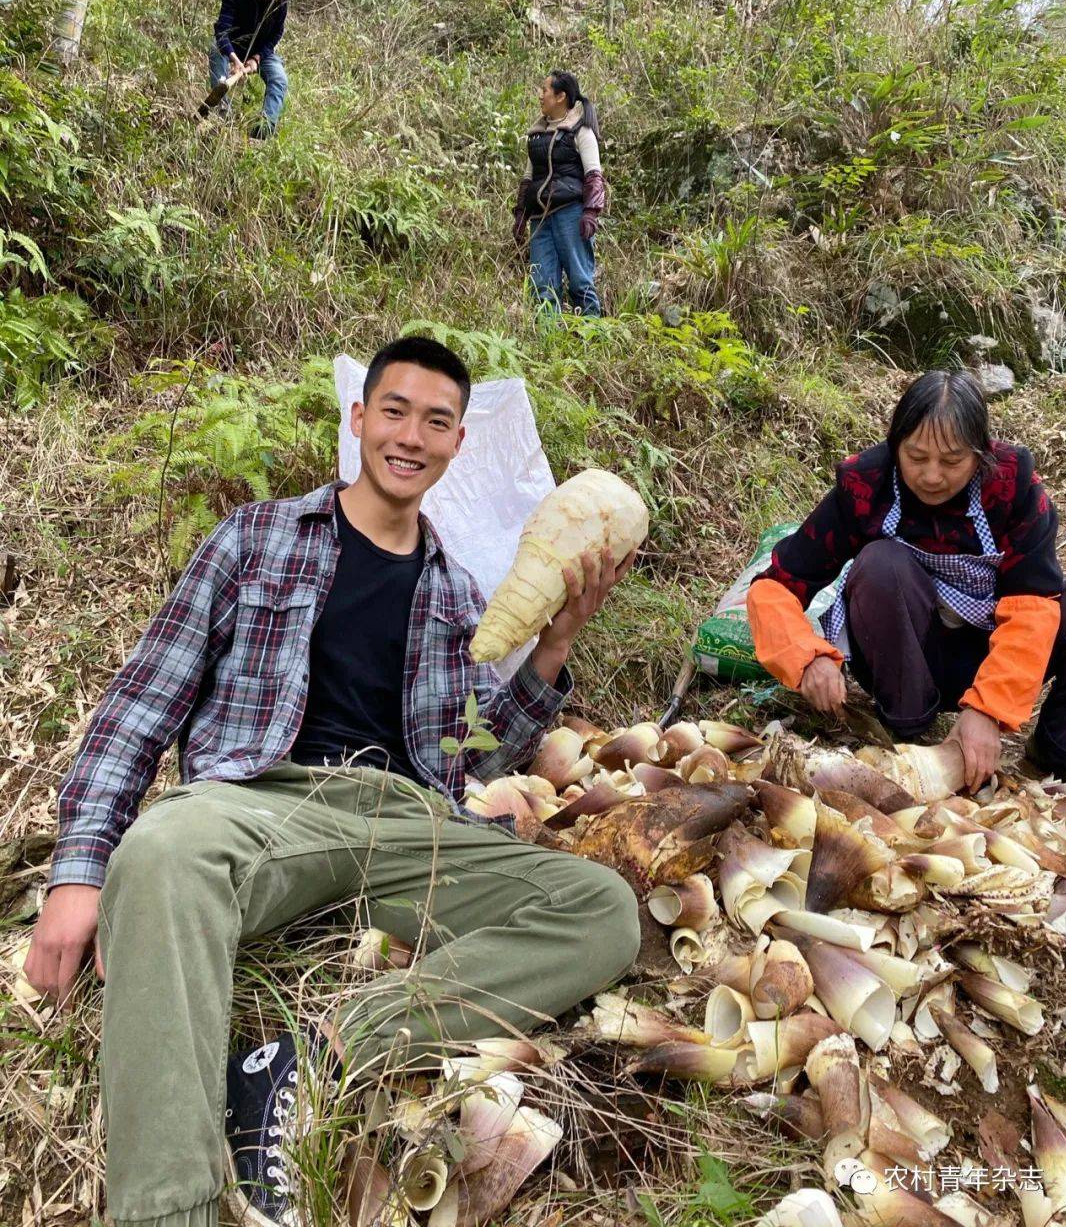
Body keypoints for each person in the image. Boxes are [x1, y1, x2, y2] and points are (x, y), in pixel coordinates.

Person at [23, 335, 641, 1227]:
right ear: (359, 418)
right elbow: (142, 705)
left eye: (437, 422)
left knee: (603, 910)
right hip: (259, 801)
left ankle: (316, 1056)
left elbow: (480, 756)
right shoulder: (256, 537)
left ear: (458, 444)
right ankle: (171, 1211)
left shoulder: (459, 592)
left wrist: (552, 645)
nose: (411, 436)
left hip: (405, 823)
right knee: (158, 851)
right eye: (395, 410)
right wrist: (78, 872)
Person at [746, 370, 1066, 790]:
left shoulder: (1015, 488)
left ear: (980, 453)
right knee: (881, 563)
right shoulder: (866, 485)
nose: (932, 476)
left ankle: (1059, 750)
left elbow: (1032, 604)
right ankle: (908, 725)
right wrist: (805, 655)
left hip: (987, 651)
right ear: (895, 444)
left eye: (952, 460)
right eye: (916, 457)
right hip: (907, 655)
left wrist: (990, 708)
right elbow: (777, 583)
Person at [513, 70, 607, 317]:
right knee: (542, 285)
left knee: (580, 282)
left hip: (571, 215)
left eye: (544, 90)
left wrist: (590, 213)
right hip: (539, 218)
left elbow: (594, 176)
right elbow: (528, 177)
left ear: (561, 96)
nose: (540, 96)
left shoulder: (582, 132)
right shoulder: (536, 135)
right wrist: (521, 214)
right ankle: (548, 340)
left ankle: (592, 335)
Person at [210, 0, 289, 139]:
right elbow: (222, 31)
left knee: (279, 78)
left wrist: (256, 59)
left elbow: (276, 33)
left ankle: (263, 130)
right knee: (214, 50)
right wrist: (234, 58)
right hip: (233, 46)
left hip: (261, 51)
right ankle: (222, 112)